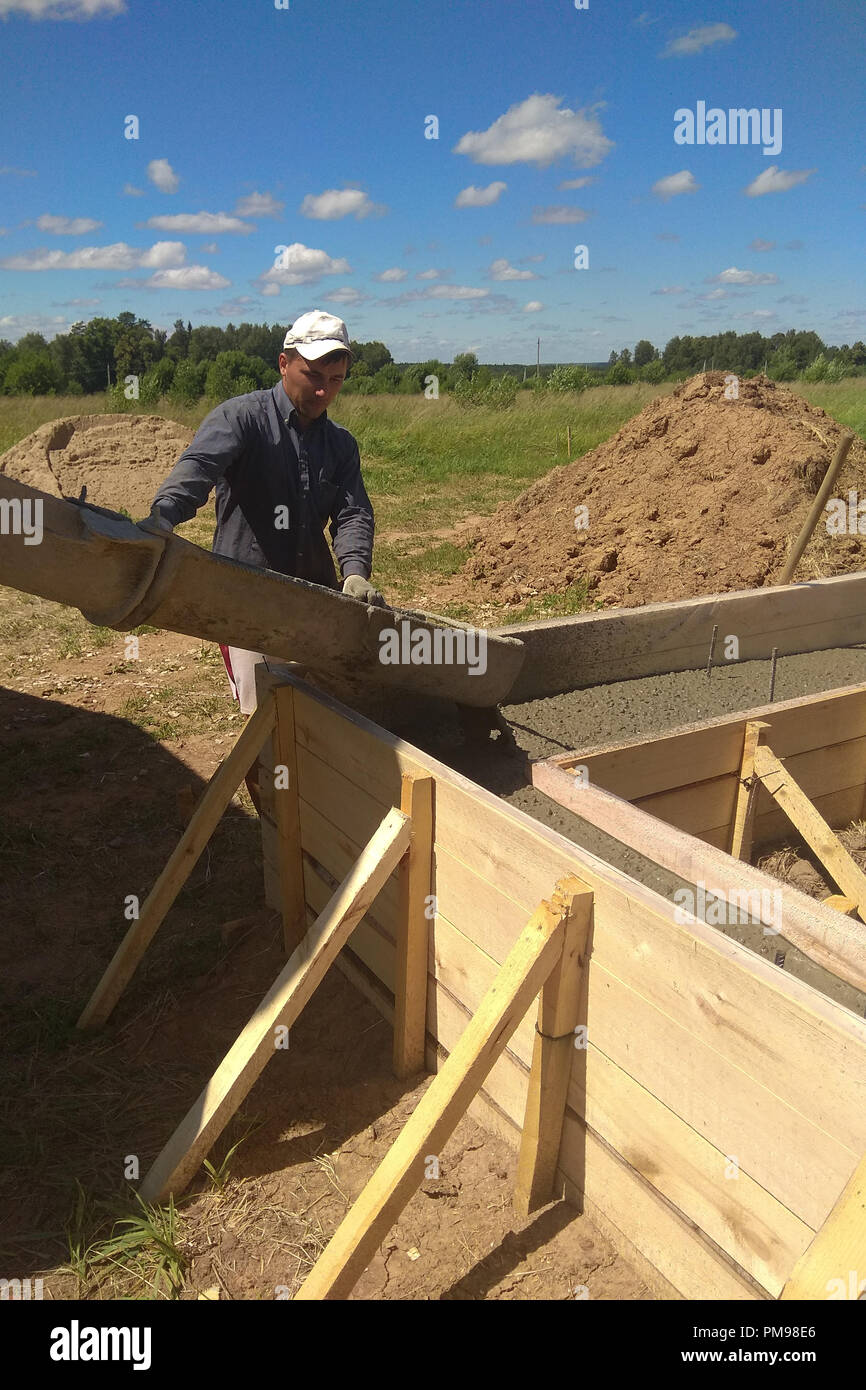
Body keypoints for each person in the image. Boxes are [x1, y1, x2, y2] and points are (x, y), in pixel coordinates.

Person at [146, 309, 386, 808]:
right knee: (267, 723)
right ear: (283, 363)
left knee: (324, 711)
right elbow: (199, 467)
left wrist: (355, 573)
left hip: (313, 595)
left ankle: (324, 818)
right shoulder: (242, 419)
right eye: (313, 376)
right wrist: (163, 516)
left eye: (336, 381)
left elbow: (352, 514)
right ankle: (279, 832)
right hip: (245, 597)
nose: (323, 391)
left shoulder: (340, 446)